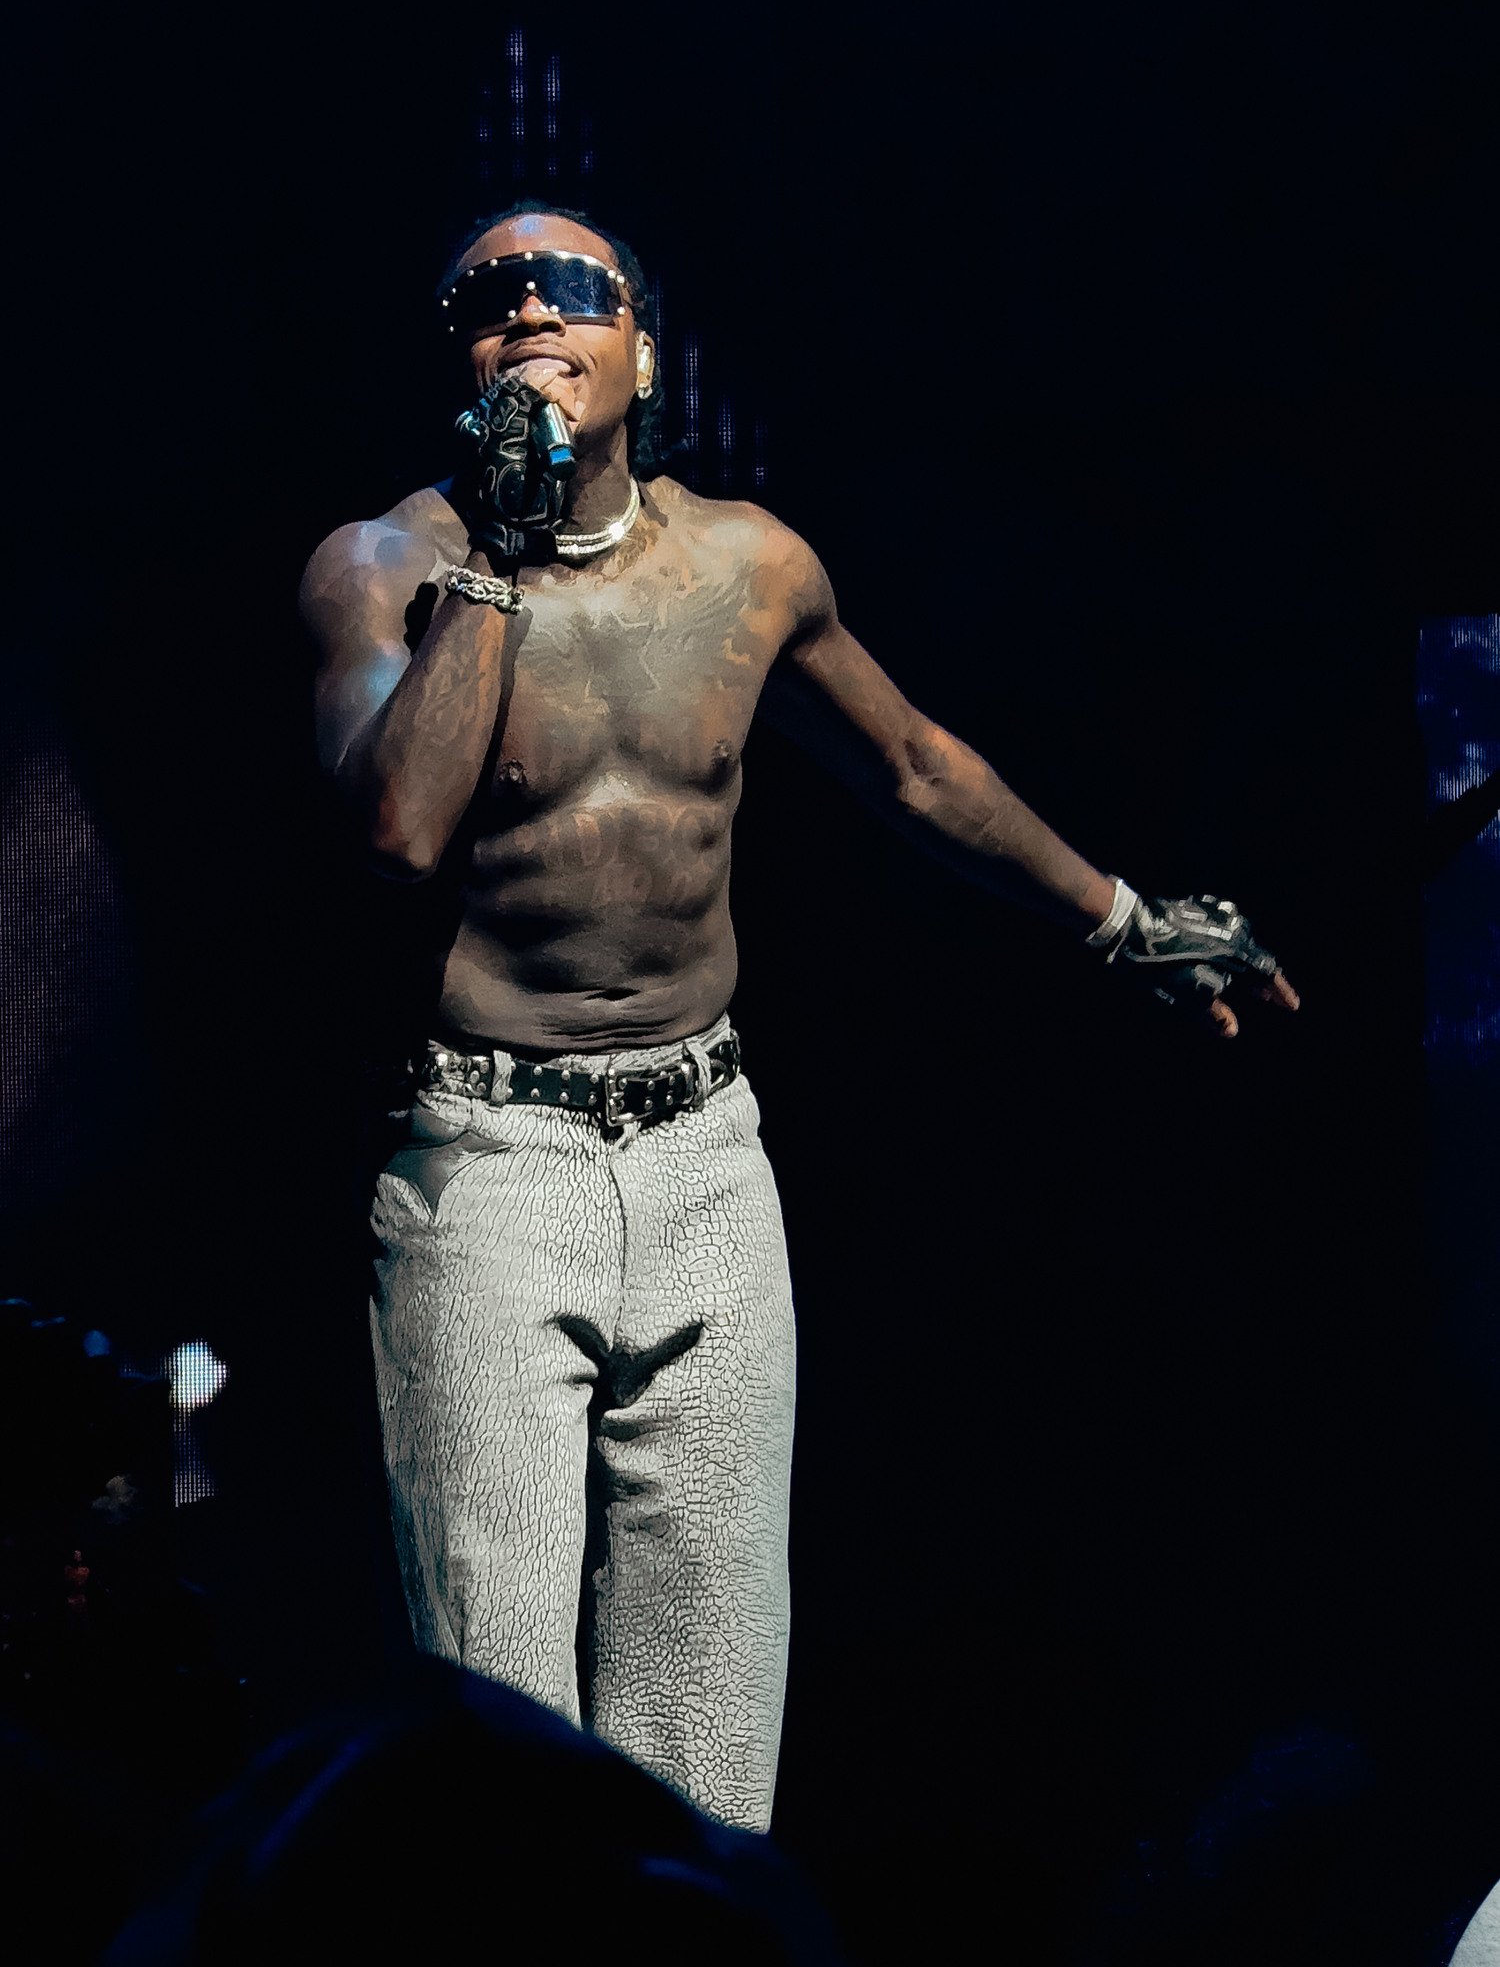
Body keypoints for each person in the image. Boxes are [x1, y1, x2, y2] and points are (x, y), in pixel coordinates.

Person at [299, 200, 1300, 1833]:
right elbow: (401, 829)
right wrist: (505, 544)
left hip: (706, 1158)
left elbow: (917, 768)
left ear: (644, 352)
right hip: (489, 1167)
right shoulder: (385, 569)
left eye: (571, 289)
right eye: (490, 300)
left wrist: (1123, 922)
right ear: (460, 361)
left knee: (707, 1739)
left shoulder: (749, 566)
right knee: (501, 1753)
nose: (530, 314)